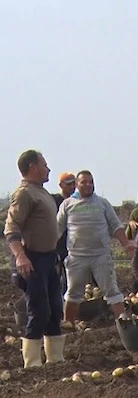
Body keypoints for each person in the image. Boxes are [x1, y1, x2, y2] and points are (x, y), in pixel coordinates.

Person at [4, 150, 65, 367]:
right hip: (32, 260)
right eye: (44, 164)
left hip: (48, 259)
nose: (48, 169)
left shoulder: (42, 193)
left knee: (55, 309)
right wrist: (20, 256)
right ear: (32, 167)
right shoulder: (24, 194)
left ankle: (55, 359)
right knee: (39, 310)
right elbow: (11, 228)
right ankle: (32, 364)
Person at [57, 170, 136, 326]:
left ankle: (123, 325)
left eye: (91, 181)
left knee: (112, 290)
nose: (88, 184)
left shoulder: (102, 203)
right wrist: (46, 249)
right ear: (76, 185)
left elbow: (115, 225)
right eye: (84, 182)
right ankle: (68, 325)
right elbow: (57, 229)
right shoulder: (67, 205)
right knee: (73, 293)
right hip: (76, 256)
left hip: (100, 256)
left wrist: (126, 243)